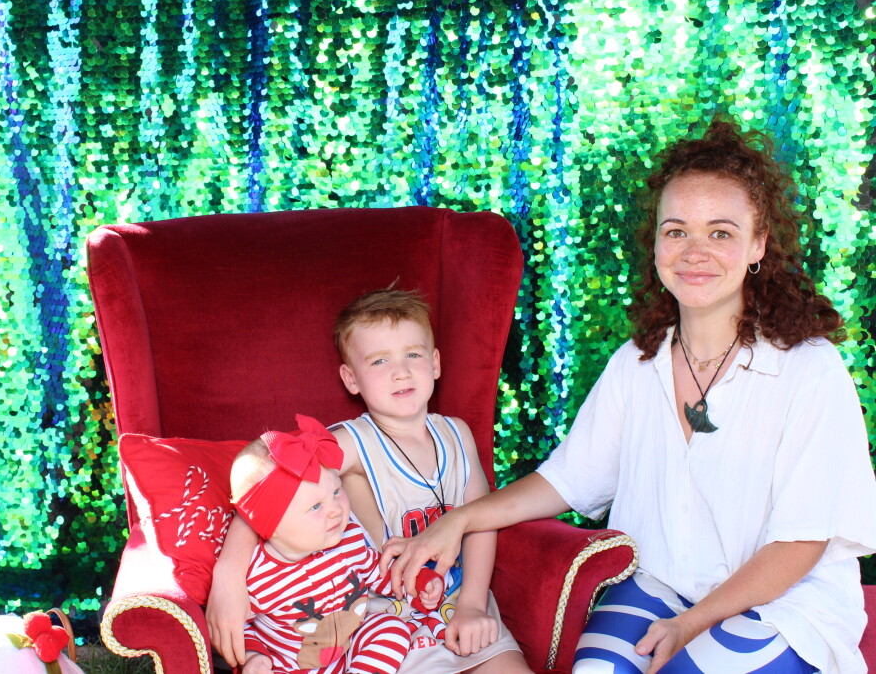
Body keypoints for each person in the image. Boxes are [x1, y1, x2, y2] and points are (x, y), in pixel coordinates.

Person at [380, 118, 876, 674]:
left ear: (758, 244)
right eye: (676, 231)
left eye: (721, 233)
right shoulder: (635, 363)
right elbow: (567, 480)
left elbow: (801, 544)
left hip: (782, 605)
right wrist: (460, 520)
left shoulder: (809, 369)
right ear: (657, 242)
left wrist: (691, 625)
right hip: (660, 585)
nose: (694, 252)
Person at [209, 290, 534, 674]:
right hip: (389, 623)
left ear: (434, 363)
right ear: (352, 379)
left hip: (462, 603)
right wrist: (228, 576)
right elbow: (269, 492)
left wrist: (473, 605)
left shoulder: (457, 434)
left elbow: (481, 520)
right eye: (380, 360)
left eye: (413, 355)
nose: (401, 371)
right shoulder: (350, 443)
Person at [230, 414, 444, 674]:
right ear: (272, 527)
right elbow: (240, 625)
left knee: (392, 629)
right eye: (316, 506)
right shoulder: (259, 577)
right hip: (292, 666)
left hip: (349, 646)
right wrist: (253, 655)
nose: (336, 510)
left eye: (336, 492)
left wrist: (418, 582)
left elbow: (377, 572)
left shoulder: (349, 538)